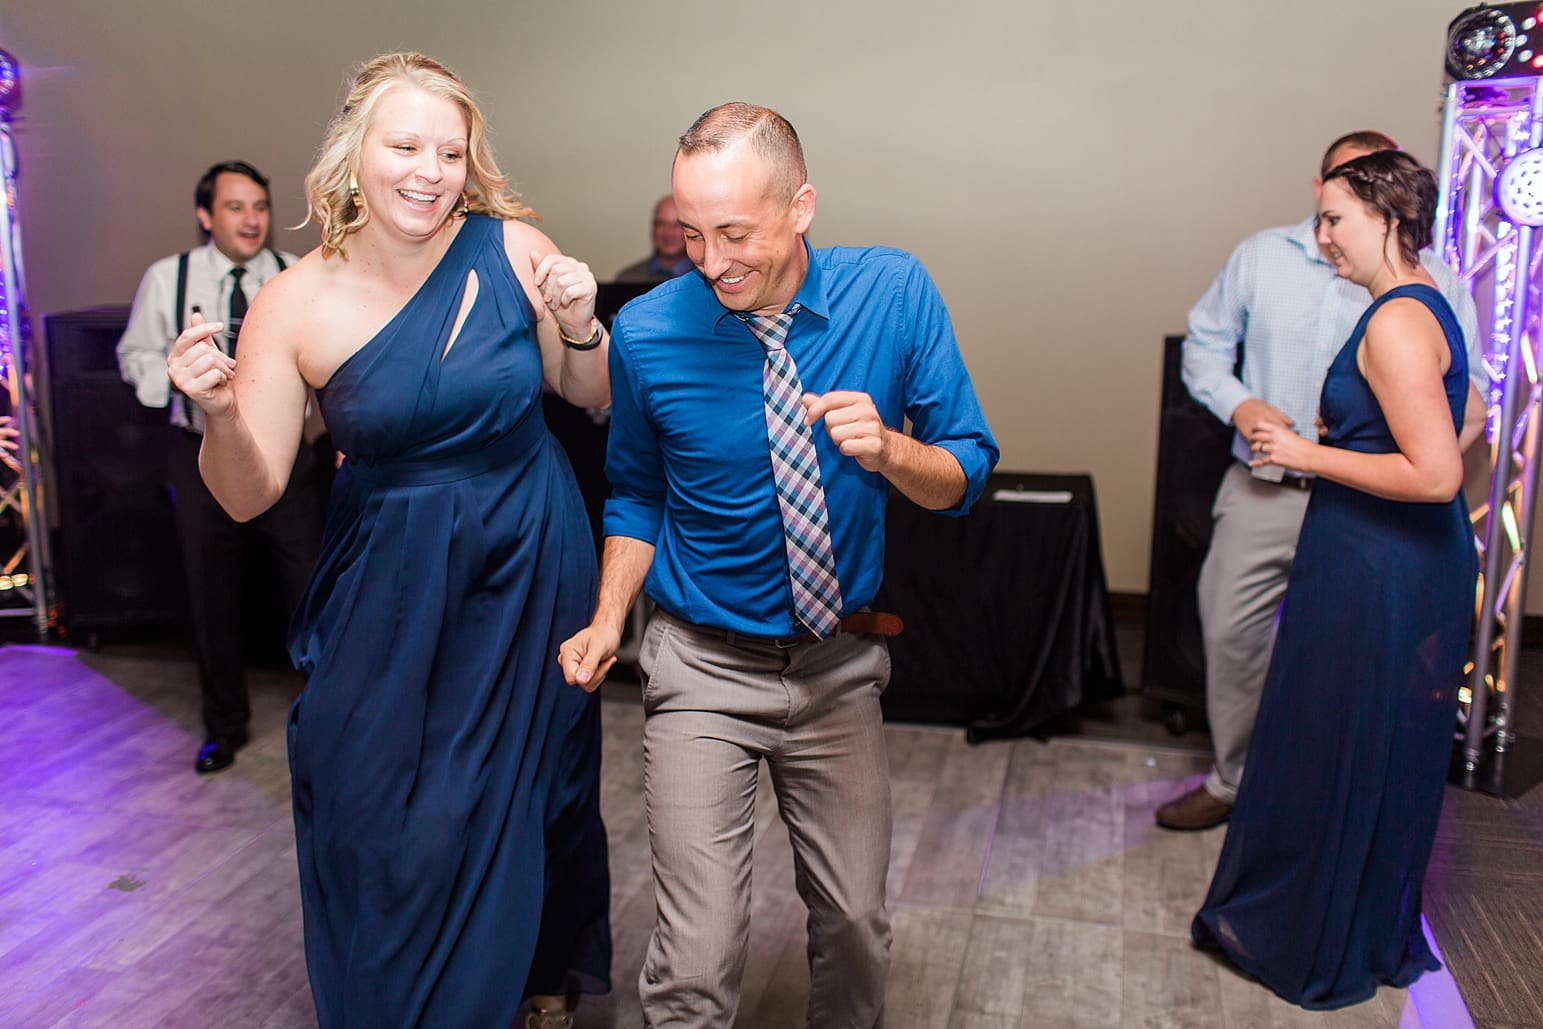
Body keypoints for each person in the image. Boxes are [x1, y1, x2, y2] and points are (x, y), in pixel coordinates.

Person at [164, 53, 611, 1028]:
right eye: (405, 144)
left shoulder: (516, 250)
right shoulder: (294, 302)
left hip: (528, 553)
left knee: (529, 780)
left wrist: (581, 328)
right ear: (354, 154)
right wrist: (218, 415)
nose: (429, 169)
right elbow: (249, 496)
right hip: (391, 578)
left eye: (450, 151)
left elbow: (591, 396)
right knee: (370, 791)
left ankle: (531, 976)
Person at [559, 102, 999, 1026]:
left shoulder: (893, 292)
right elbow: (636, 493)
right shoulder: (643, 332)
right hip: (699, 665)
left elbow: (965, 467)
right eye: (689, 234)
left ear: (799, 206)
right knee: (695, 955)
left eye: (733, 232)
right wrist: (607, 618)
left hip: (839, 669)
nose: (710, 261)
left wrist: (887, 450)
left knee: (853, 924)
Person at [1191, 149, 1478, 1008]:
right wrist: (1354, 437)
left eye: (1335, 220)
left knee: (1343, 743)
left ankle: (1319, 930)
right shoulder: (1413, 302)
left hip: (1377, 563)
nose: (1321, 238)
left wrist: (1312, 453)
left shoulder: (1394, 319)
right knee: (1351, 744)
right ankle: (1338, 915)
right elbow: (1460, 417)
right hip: (1380, 555)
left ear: (1388, 218)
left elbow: (1435, 475)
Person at [1158, 131, 1485, 830]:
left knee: (1342, 661)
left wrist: (1412, 455)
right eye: (1331, 199)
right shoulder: (1260, 257)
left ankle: (1307, 805)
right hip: (1264, 488)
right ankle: (1232, 780)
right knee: (1230, 636)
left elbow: (1467, 400)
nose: (1329, 227)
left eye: (1350, 206)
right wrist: (1242, 406)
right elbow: (1204, 351)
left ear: (1386, 205)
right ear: (1321, 187)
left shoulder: (1431, 283)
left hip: (1373, 515)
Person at [117, 159, 326, 775]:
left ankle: (323, 725)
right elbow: (135, 354)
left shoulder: (296, 277)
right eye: (235, 207)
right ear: (207, 216)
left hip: (289, 456)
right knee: (211, 593)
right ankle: (223, 727)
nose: (252, 219)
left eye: (259, 206)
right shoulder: (168, 277)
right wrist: (185, 387)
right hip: (199, 454)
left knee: (310, 588)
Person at [613, 193, 692, 282]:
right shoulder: (628, 279)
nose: (668, 233)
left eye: (677, 225)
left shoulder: (707, 280)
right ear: (653, 228)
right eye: (661, 224)